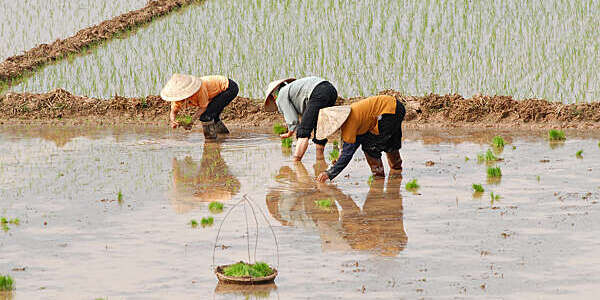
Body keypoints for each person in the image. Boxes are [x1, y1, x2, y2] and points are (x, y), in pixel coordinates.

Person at [316, 95, 405, 182]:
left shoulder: (349, 124)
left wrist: (330, 173)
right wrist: (340, 157)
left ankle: (379, 177)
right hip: (395, 106)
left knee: (370, 146)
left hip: (389, 113)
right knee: (389, 141)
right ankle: (397, 171)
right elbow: (355, 141)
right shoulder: (351, 114)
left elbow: (348, 153)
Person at [264, 76, 338, 161]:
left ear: (273, 96)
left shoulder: (281, 95)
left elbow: (293, 120)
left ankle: (296, 161)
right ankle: (320, 159)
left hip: (318, 91)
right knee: (319, 127)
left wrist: (290, 132)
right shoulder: (292, 89)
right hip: (331, 90)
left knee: (303, 131)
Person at [160, 74, 238, 140]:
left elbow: (203, 107)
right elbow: (173, 112)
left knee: (205, 116)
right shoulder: (177, 99)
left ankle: (210, 142)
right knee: (213, 116)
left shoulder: (199, 90)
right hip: (216, 92)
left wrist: (191, 120)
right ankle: (224, 135)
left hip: (228, 88)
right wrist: (173, 120)